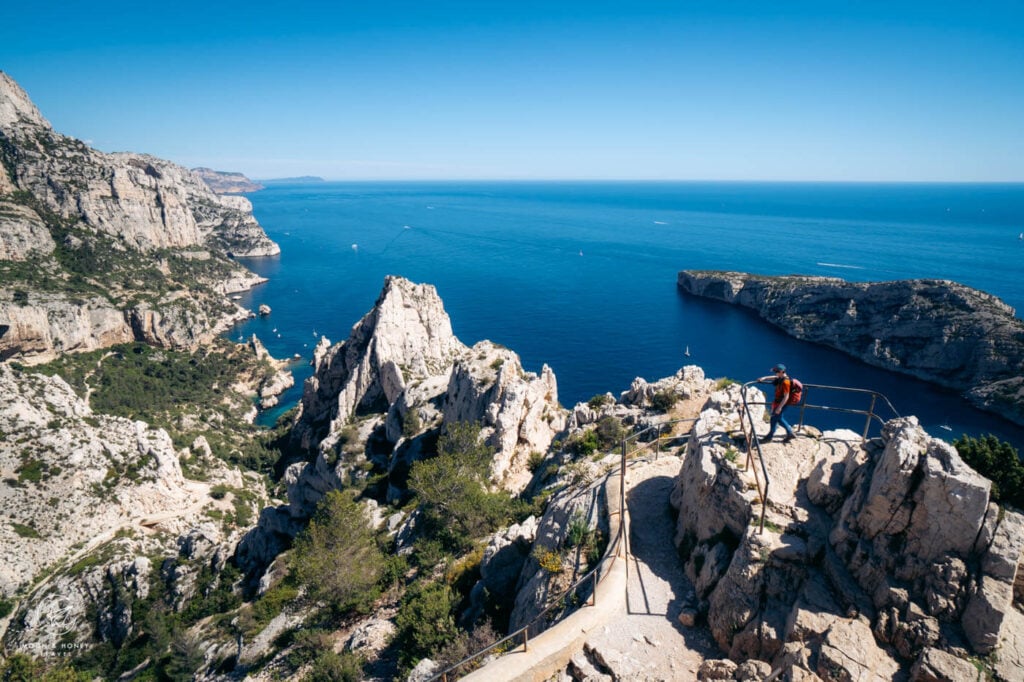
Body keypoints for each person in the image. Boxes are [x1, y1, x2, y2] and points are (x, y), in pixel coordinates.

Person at [759, 363, 796, 444]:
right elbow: (776, 377)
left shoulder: (786, 382)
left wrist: (779, 408)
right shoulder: (781, 377)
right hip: (778, 402)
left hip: (781, 403)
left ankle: (769, 437)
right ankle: (790, 433)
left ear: (782, 371)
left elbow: (786, 396)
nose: (775, 373)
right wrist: (765, 378)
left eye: (777, 371)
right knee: (779, 418)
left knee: (773, 419)